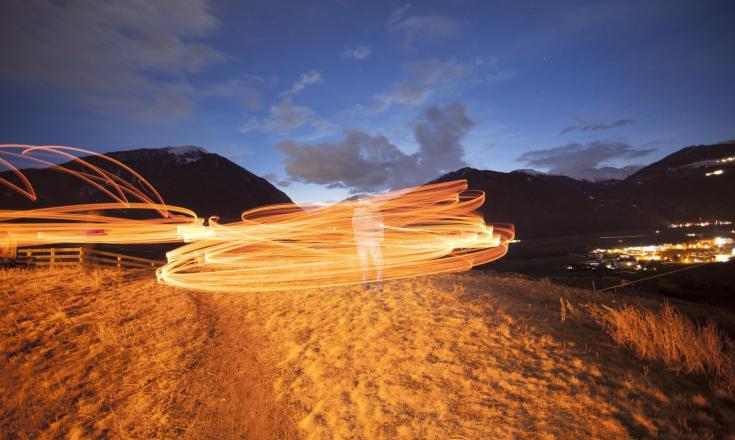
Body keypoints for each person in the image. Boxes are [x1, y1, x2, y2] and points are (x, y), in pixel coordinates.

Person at [352, 198, 384, 290]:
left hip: (361, 240)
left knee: (364, 262)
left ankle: (366, 283)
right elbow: (379, 221)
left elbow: (355, 226)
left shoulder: (355, 213)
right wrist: (381, 236)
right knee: (377, 261)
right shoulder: (371, 210)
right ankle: (377, 284)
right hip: (370, 240)